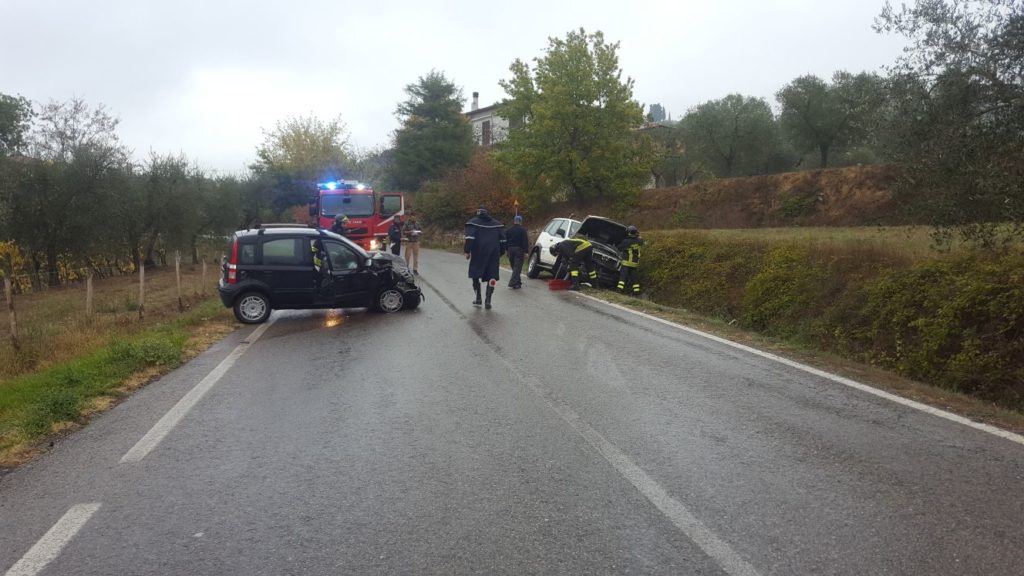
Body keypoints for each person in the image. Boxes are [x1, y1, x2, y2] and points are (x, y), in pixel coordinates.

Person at [464, 206, 506, 309]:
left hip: (478, 252)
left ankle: (478, 298)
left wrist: (467, 251)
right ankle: (488, 301)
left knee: (475, 274)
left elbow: (470, 238)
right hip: (493, 253)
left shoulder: (473, 223)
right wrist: (500, 252)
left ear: (477, 213)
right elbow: (503, 240)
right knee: (492, 275)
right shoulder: (497, 224)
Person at [616, 225, 644, 295]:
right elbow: (641, 241)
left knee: (622, 278)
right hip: (634, 264)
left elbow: (619, 248)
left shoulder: (626, 241)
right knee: (635, 279)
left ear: (628, 233)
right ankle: (636, 292)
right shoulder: (640, 241)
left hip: (626, 263)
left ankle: (619, 291)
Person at [504, 215, 529, 289]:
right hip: (519, 250)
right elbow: (525, 241)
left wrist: (506, 250)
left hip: (510, 250)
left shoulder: (508, 230)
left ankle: (518, 283)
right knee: (517, 267)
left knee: (514, 266)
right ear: (520, 222)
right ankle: (512, 283)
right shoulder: (523, 230)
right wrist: (526, 252)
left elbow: (505, 241)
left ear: (514, 221)